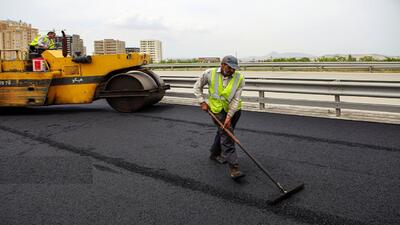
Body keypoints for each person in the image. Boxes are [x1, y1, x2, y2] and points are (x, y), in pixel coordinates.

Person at [193, 55, 246, 180]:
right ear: (222, 64)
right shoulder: (209, 73)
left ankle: (214, 153)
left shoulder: (240, 78)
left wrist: (229, 117)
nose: (232, 70)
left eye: (234, 68)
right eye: (230, 67)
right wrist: (202, 102)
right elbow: (197, 87)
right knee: (227, 136)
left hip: (234, 110)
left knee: (223, 131)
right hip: (217, 110)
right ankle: (234, 168)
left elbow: (236, 99)